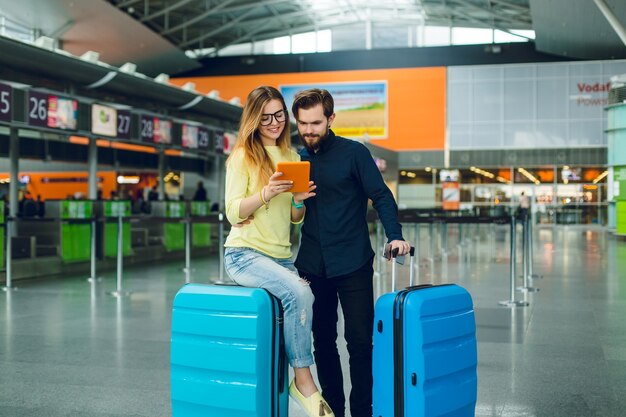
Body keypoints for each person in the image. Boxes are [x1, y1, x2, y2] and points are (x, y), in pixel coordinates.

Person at [291, 88, 411, 417]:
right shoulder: (297, 160)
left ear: (330, 119)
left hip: (353, 262)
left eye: (316, 122)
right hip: (313, 265)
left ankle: (362, 412)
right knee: (323, 344)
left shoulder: (354, 154)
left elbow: (382, 196)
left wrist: (395, 236)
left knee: (359, 343)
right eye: (302, 124)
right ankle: (334, 412)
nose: (309, 130)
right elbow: (292, 211)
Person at [223, 86, 335, 417]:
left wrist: (299, 200)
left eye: (279, 115)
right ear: (254, 120)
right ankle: (303, 382)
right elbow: (232, 212)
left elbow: (294, 219)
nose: (274, 122)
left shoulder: (293, 158)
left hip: (280, 256)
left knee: (300, 297)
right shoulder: (244, 155)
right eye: (265, 116)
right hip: (244, 254)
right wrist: (266, 193)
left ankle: (291, 383)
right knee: (300, 293)